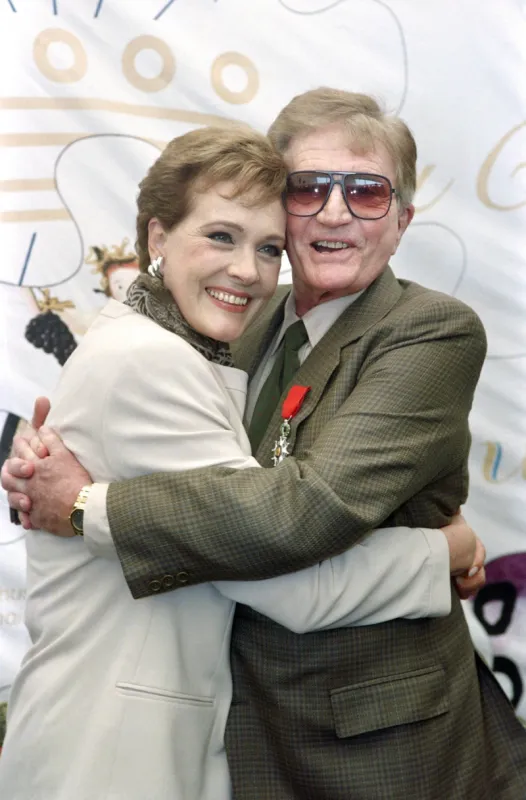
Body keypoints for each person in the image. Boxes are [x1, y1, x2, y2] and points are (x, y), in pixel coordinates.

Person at [5, 88, 524, 799]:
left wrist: (86, 506)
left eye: (366, 192)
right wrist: (448, 553)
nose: (335, 211)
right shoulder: (238, 311)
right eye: (310, 189)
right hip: (234, 724)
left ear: (402, 221)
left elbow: (300, 514)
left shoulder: (429, 329)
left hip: (372, 740)